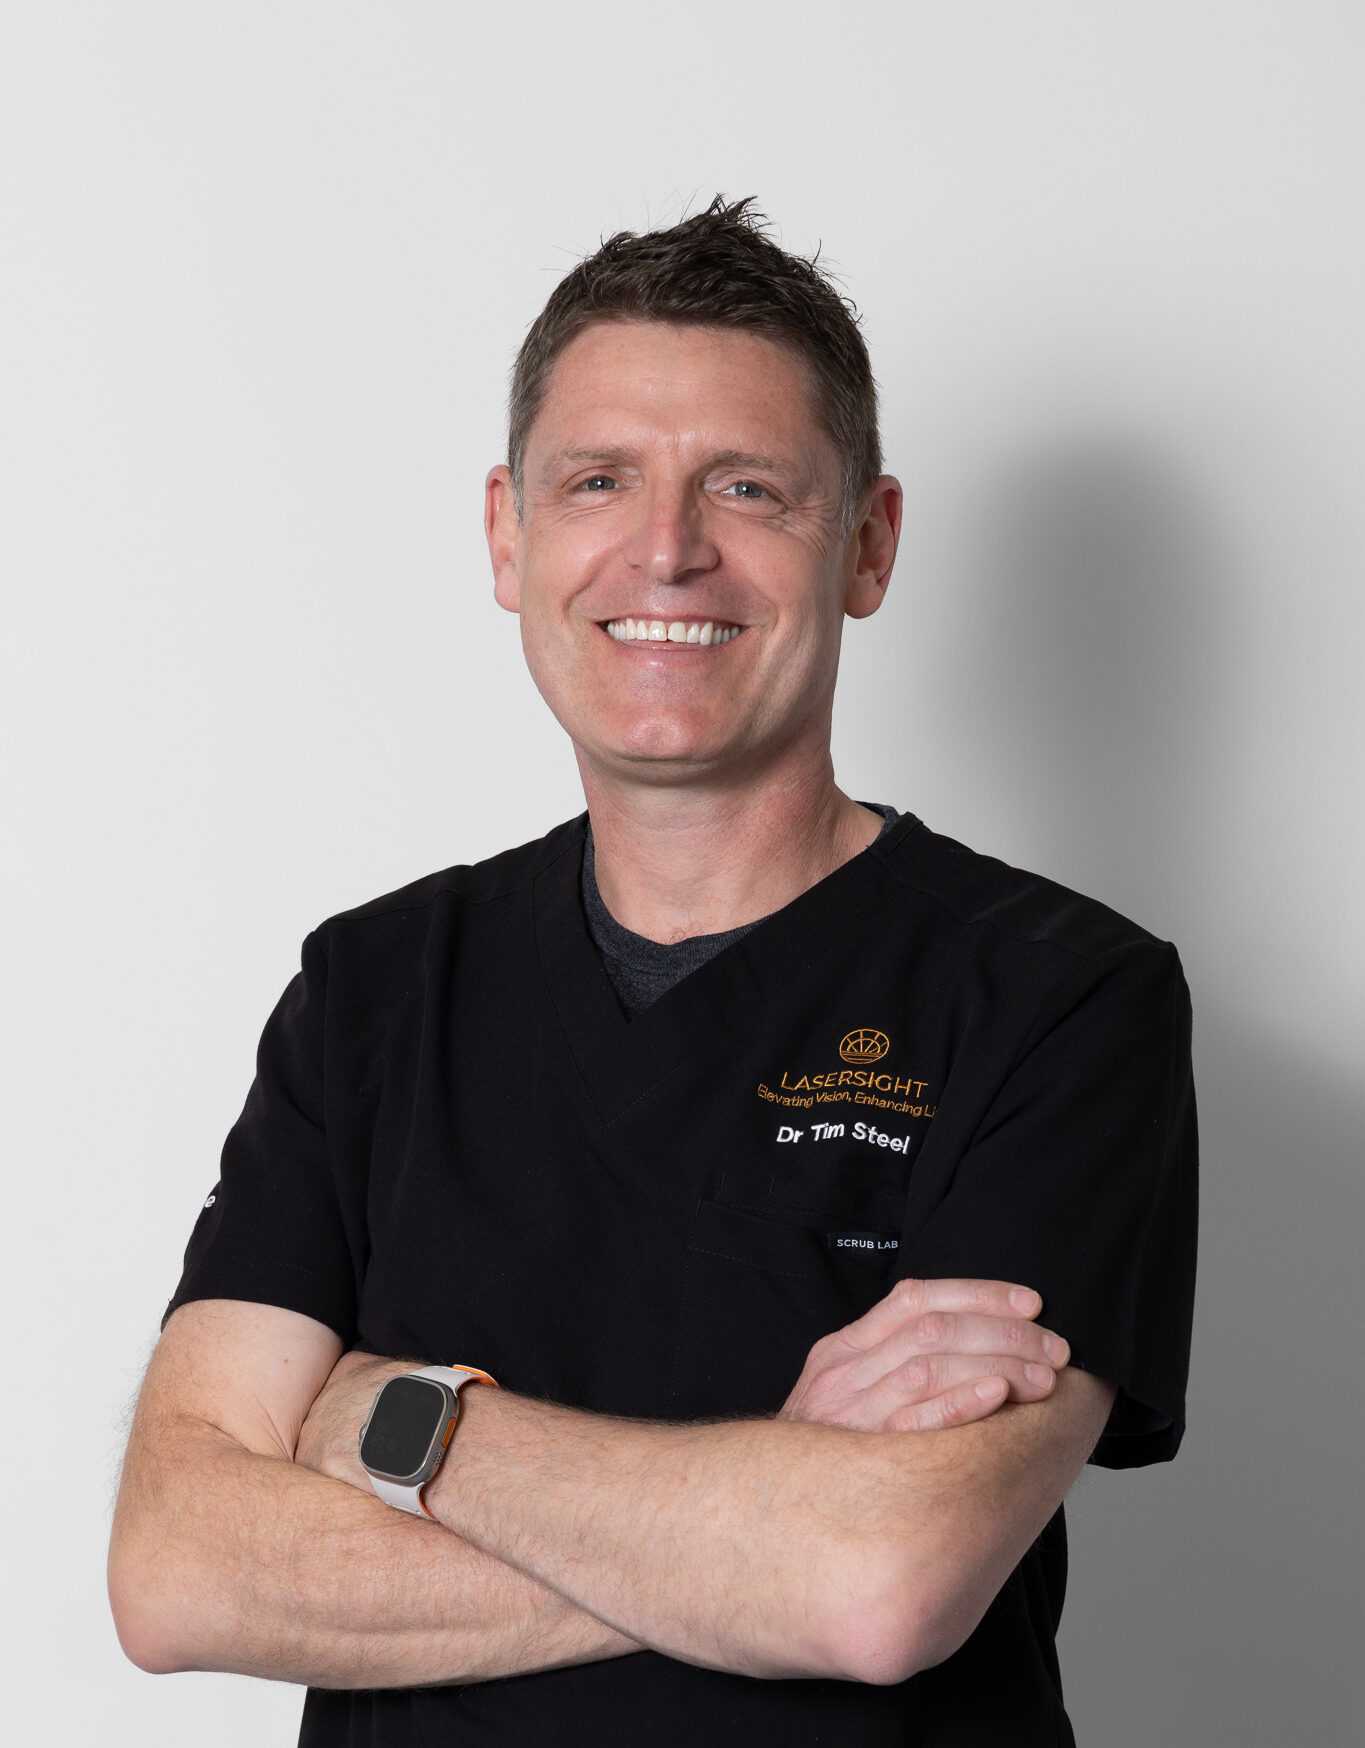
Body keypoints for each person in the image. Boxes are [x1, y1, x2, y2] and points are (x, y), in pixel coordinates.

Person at [108, 197, 1197, 1747]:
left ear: (868, 543)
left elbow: (874, 1585)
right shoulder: (372, 991)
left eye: (746, 487)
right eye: (598, 479)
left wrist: (397, 1425)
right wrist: (764, 1502)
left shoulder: (1061, 997)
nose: (667, 548)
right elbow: (178, 1572)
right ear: (509, 533)